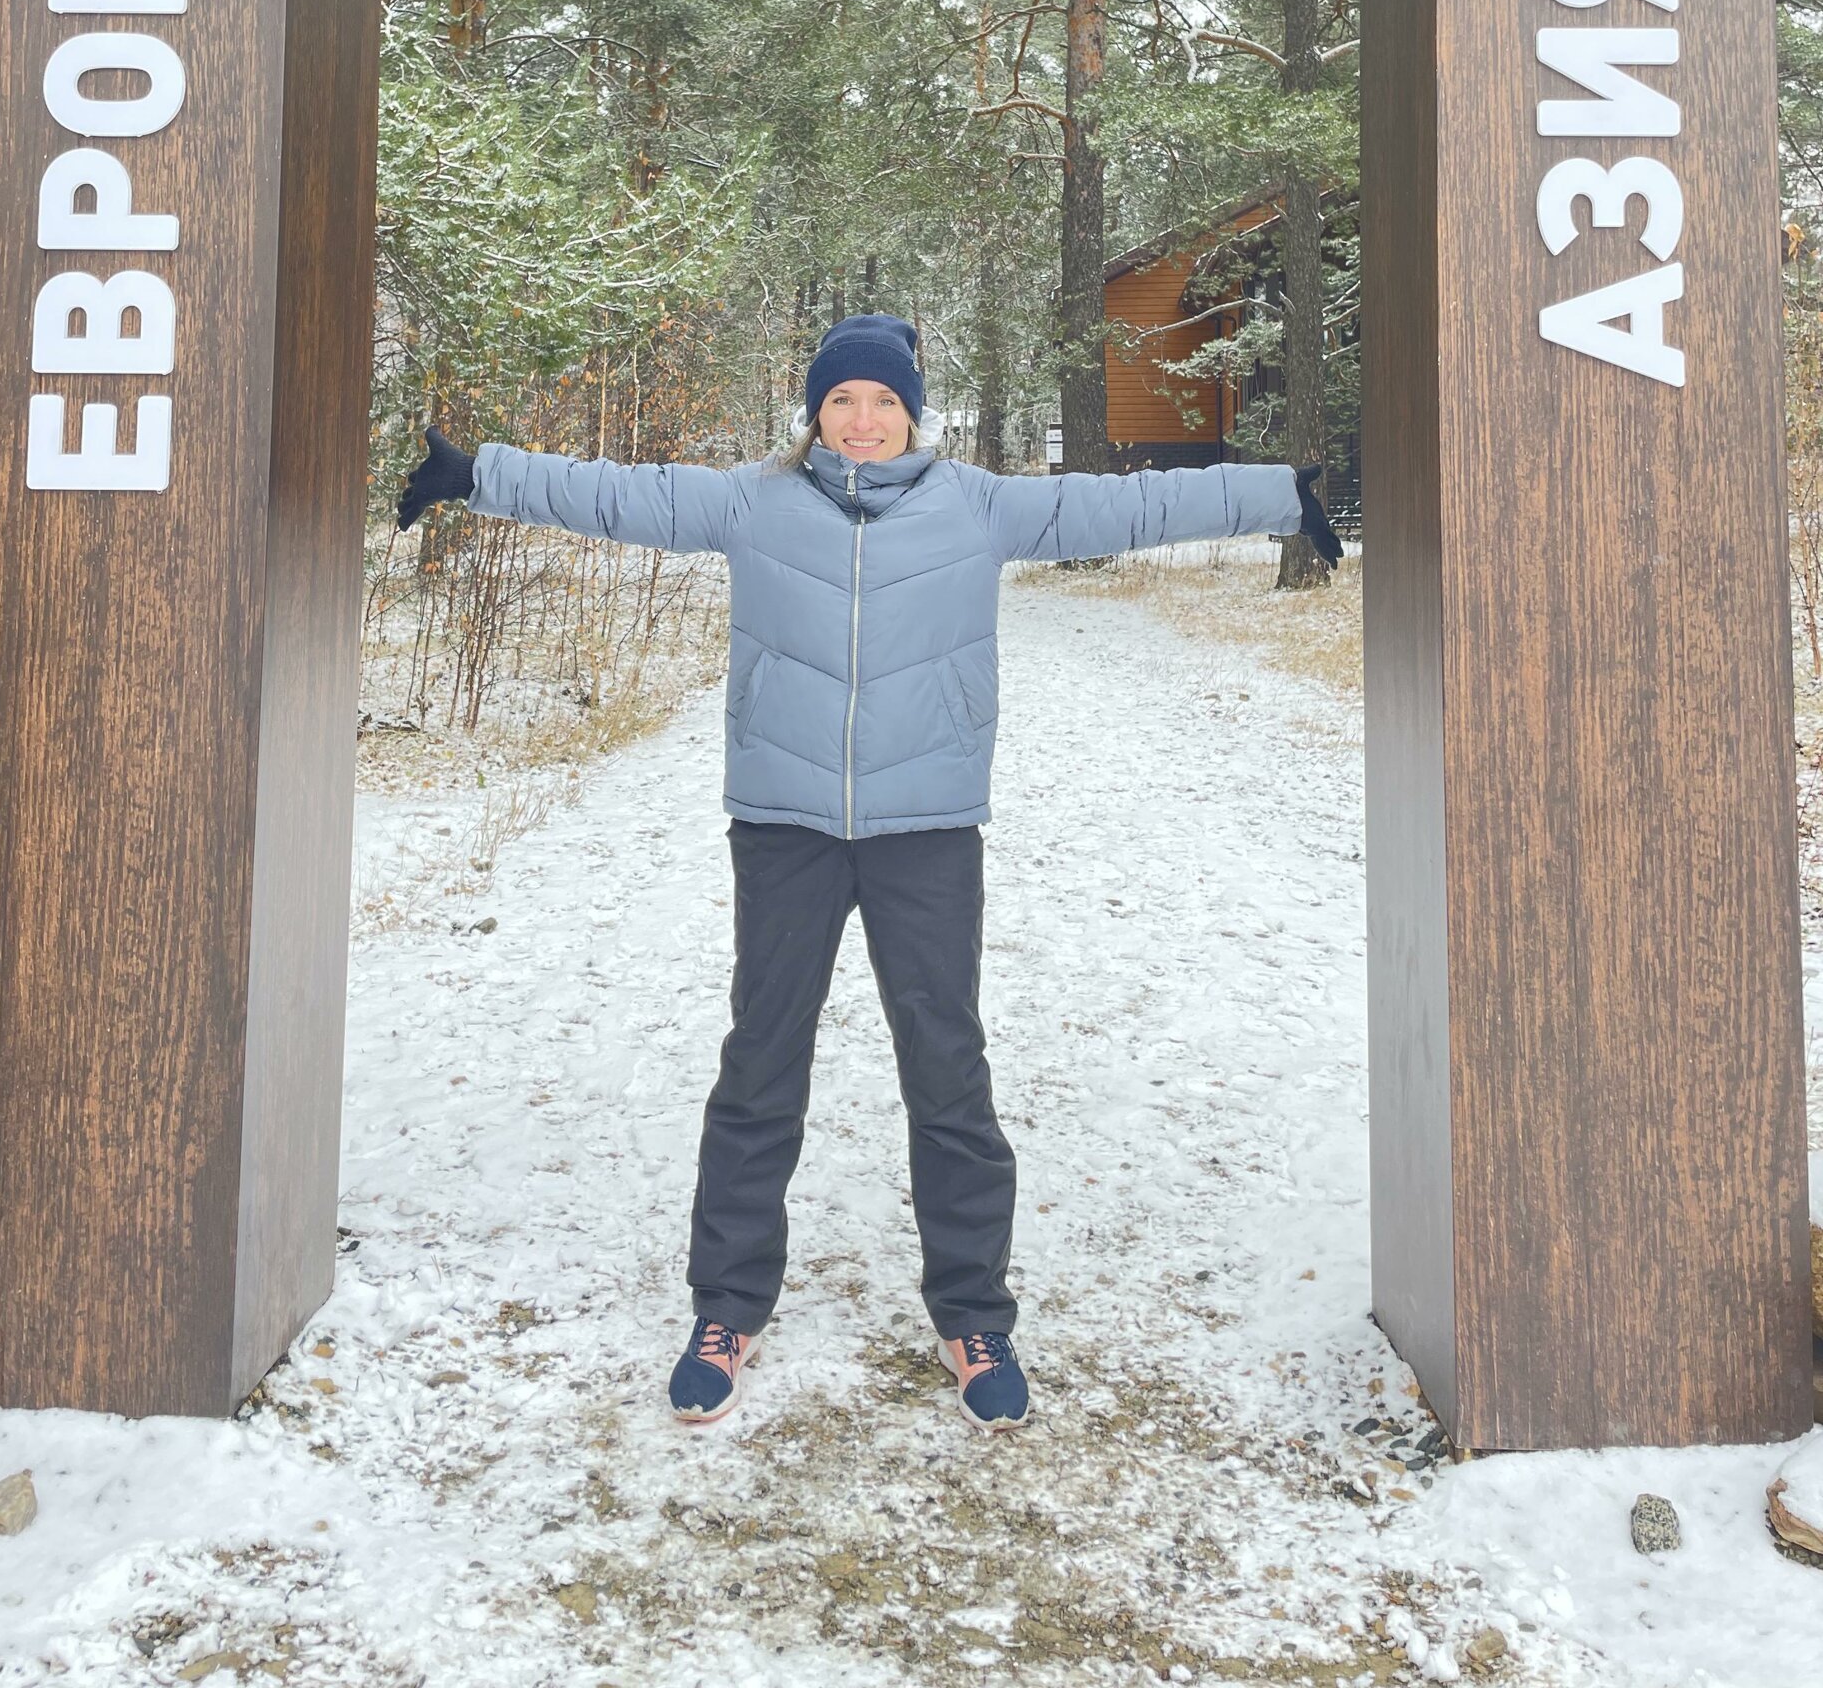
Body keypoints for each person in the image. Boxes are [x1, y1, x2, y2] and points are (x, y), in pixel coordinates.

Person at [396, 311, 1341, 1435]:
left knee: (948, 1069)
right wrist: (475, 473)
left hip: (926, 830)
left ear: (911, 412)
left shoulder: (979, 504)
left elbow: (1133, 504)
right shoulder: (753, 502)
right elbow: (616, 493)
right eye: (842, 400)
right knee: (761, 1063)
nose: (861, 418)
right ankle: (728, 1306)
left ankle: (974, 1314)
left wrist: (1284, 491)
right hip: (786, 825)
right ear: (815, 413)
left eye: (881, 400)